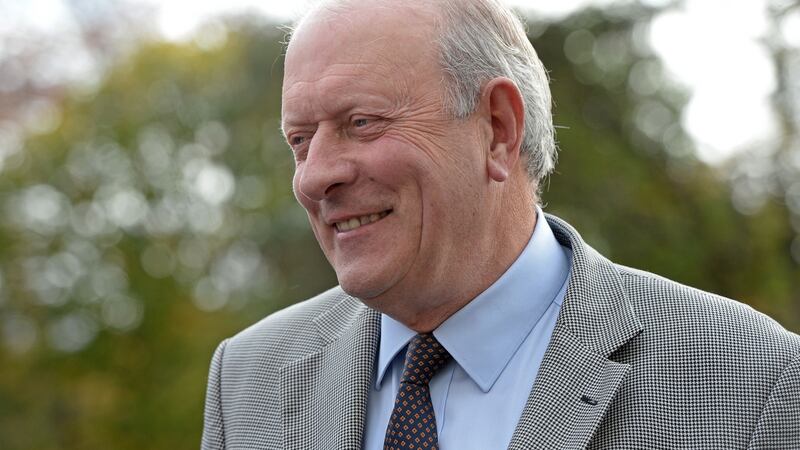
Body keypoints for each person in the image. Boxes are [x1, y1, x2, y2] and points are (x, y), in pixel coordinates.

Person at [201, 0, 800, 448]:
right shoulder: (248, 380)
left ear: (497, 129)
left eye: (361, 122)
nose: (313, 178)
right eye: (300, 142)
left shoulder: (750, 379)